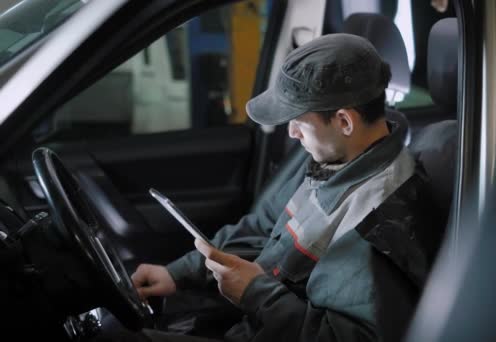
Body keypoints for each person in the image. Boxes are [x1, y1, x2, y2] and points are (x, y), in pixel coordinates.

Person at [117, 33, 441, 342]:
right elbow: (261, 227)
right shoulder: (333, 157)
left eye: (299, 121)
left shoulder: (378, 222)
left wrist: (257, 294)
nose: (291, 134)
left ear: (344, 122)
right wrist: (178, 274)